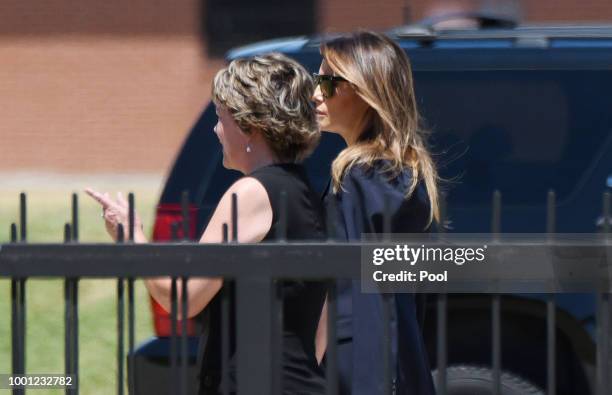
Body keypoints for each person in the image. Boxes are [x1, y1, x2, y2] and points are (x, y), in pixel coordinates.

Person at [86, 53, 327, 395]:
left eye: (221, 116)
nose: (216, 129)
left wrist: (131, 238)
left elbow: (183, 297)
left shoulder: (251, 193)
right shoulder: (306, 192)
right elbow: (323, 320)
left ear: (249, 125)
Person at [312, 31, 440, 395]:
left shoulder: (358, 175)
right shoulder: (408, 173)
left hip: (358, 360)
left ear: (362, 89)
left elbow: (352, 287)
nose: (315, 92)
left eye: (326, 80)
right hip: (401, 356)